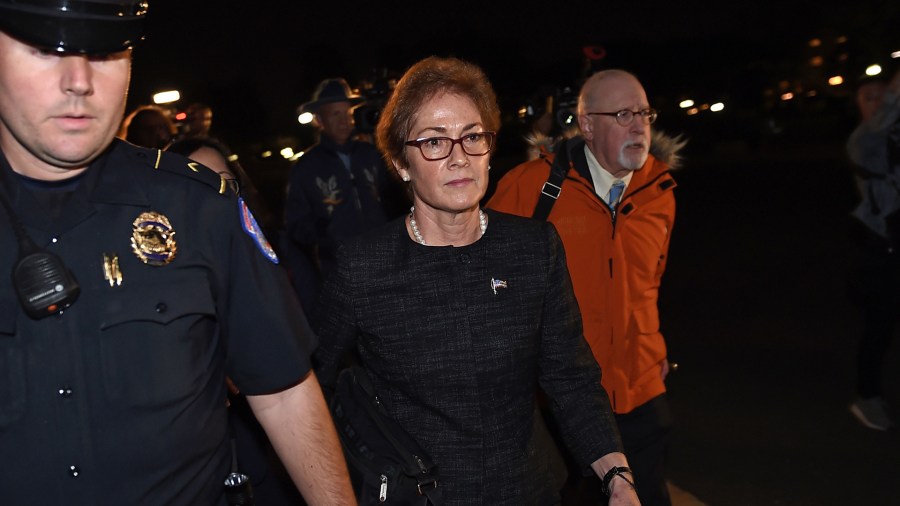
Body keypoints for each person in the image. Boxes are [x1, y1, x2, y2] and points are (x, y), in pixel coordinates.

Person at [0, 1, 355, 504]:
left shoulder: (198, 207)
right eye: (44, 49)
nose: (78, 80)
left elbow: (284, 393)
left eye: (105, 53)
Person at [313, 56, 640, 506]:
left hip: (531, 492)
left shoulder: (534, 247)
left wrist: (617, 476)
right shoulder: (363, 266)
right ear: (400, 162)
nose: (459, 156)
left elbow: (572, 379)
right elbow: (312, 387)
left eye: (472, 136)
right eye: (434, 141)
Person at [489, 69, 685, 506]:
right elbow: (488, 285)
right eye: (622, 114)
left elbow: (648, 284)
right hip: (561, 402)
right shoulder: (529, 189)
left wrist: (653, 346)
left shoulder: (660, 190)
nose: (639, 126)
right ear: (588, 125)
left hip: (641, 390)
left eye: (644, 113)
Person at [283, 77, 406, 310]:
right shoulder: (305, 167)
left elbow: (396, 201)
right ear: (319, 120)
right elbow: (295, 226)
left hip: (385, 265)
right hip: (339, 274)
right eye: (335, 115)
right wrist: (325, 233)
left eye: (347, 113)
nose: (344, 122)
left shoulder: (372, 154)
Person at [845, 67, 900, 431]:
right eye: (869, 97)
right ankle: (867, 398)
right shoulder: (863, 140)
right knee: (879, 328)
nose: (878, 102)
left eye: (882, 94)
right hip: (881, 252)